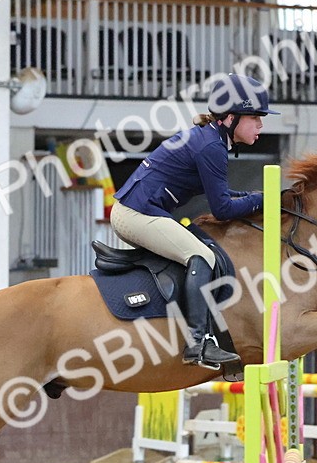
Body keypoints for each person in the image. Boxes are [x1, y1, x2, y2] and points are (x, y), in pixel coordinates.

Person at [111, 73, 279, 370]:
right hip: (135, 214)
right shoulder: (211, 146)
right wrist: (263, 199)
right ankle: (197, 343)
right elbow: (223, 209)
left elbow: (223, 195)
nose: (261, 125)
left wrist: (257, 196)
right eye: (255, 117)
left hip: (140, 210)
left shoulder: (211, 138)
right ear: (230, 118)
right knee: (201, 254)